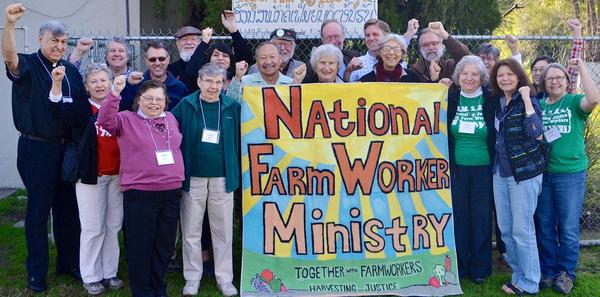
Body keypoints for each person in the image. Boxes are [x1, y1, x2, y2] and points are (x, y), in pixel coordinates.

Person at [3, 3, 84, 292]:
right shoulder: (26, 64)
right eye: (54, 41)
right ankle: (36, 272)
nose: (59, 46)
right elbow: (10, 58)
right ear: (41, 39)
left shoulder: (71, 71)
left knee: (68, 210)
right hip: (37, 151)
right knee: (38, 212)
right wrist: (10, 25)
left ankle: (69, 263)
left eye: (63, 42)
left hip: (66, 150)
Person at [97, 78, 184, 297]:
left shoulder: (171, 118)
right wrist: (115, 93)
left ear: (165, 101)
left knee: (163, 245)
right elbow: (105, 120)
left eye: (159, 99)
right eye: (149, 98)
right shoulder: (126, 119)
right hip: (141, 192)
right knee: (140, 245)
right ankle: (142, 290)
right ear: (139, 100)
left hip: (171, 190)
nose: (154, 103)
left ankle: (158, 285)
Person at [51, 64, 124, 295]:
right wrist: (56, 84)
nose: (100, 85)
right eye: (94, 81)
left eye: (103, 80)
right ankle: (91, 276)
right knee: (93, 228)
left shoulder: (121, 105)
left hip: (118, 177)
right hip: (91, 177)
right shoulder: (79, 109)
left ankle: (109, 272)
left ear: (111, 82)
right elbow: (56, 112)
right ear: (86, 86)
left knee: (113, 227)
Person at [172, 63, 241, 297]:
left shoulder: (233, 107)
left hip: (223, 177)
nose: (213, 86)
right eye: (209, 81)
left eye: (218, 82)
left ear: (224, 84)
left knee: (222, 230)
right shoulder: (186, 105)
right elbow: (169, 132)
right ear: (199, 82)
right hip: (193, 177)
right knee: (191, 230)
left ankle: (225, 278)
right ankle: (192, 278)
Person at [535, 58, 600, 294]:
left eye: (559, 77)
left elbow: (593, 99)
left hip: (570, 175)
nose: (554, 81)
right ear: (544, 82)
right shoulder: (539, 105)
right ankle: (548, 270)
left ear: (567, 81)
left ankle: (566, 273)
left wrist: (581, 66)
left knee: (568, 227)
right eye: (550, 78)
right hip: (543, 174)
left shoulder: (573, 102)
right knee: (544, 225)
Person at [489, 59, 546, 295]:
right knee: (506, 230)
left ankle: (531, 282)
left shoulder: (528, 101)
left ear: (519, 77)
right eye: (501, 75)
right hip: (500, 174)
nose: (505, 79)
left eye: (510, 75)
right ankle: (518, 275)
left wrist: (525, 99)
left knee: (523, 230)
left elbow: (536, 132)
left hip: (523, 174)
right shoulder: (499, 102)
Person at [444, 56, 497, 284]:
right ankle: (462, 266)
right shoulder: (450, 98)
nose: (469, 78)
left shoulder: (491, 100)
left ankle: (480, 268)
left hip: (484, 170)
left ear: (482, 78)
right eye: (464, 73)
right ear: (458, 76)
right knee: (460, 218)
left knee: (481, 219)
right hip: (457, 170)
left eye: (475, 74)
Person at [178, 10, 253, 92]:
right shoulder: (201, 78)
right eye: (216, 55)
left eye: (225, 56)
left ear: (231, 62)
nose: (220, 58)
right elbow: (191, 72)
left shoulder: (237, 76)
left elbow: (246, 58)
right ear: (209, 59)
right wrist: (204, 42)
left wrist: (234, 31)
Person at [121, 40, 188, 111]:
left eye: (161, 59)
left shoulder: (180, 88)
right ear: (146, 61)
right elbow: (123, 110)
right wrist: (128, 85)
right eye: (152, 59)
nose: (157, 63)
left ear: (168, 59)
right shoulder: (135, 85)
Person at [346, 18, 418, 82]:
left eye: (375, 34)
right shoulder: (357, 64)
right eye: (367, 35)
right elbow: (349, 90)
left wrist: (409, 34)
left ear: (386, 36)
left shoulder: (401, 64)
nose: (371, 38)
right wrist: (348, 72)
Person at [227, 42, 296, 102]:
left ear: (280, 59)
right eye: (263, 58)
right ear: (256, 61)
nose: (268, 62)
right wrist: (237, 77)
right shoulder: (245, 81)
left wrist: (297, 82)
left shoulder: (291, 83)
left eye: (272, 57)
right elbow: (230, 104)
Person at [531, 19, 584, 99]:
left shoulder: (562, 89)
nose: (538, 73)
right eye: (535, 69)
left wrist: (577, 32)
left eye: (542, 69)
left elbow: (575, 62)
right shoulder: (528, 92)